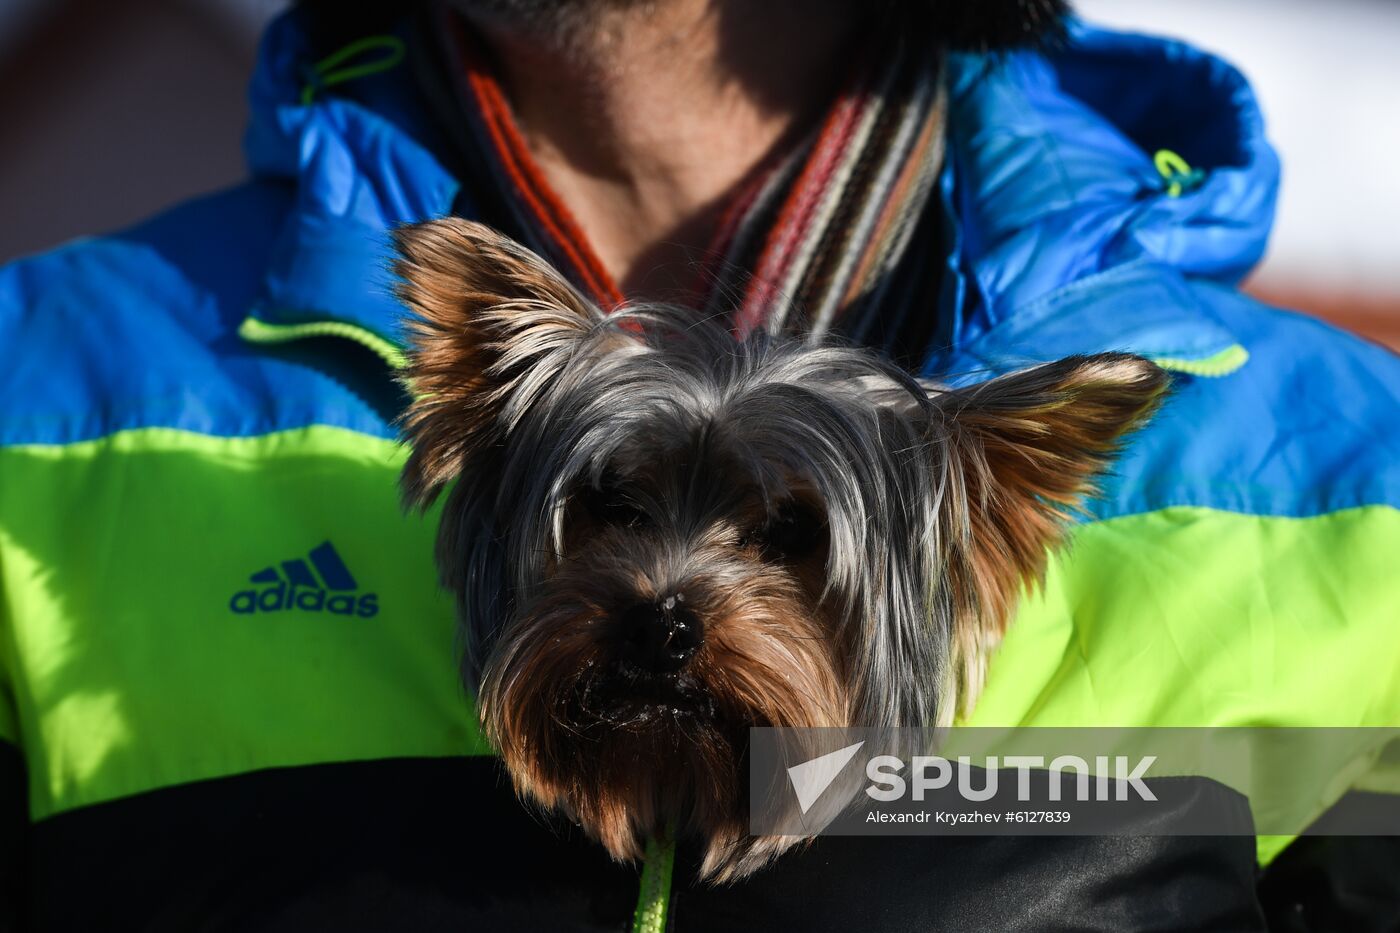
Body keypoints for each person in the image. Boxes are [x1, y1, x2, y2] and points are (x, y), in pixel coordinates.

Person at [1, 1, 1396, 930]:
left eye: (788, 535)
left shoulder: (1362, 485)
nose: (665, 591)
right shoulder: (35, 407)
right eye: (602, 509)